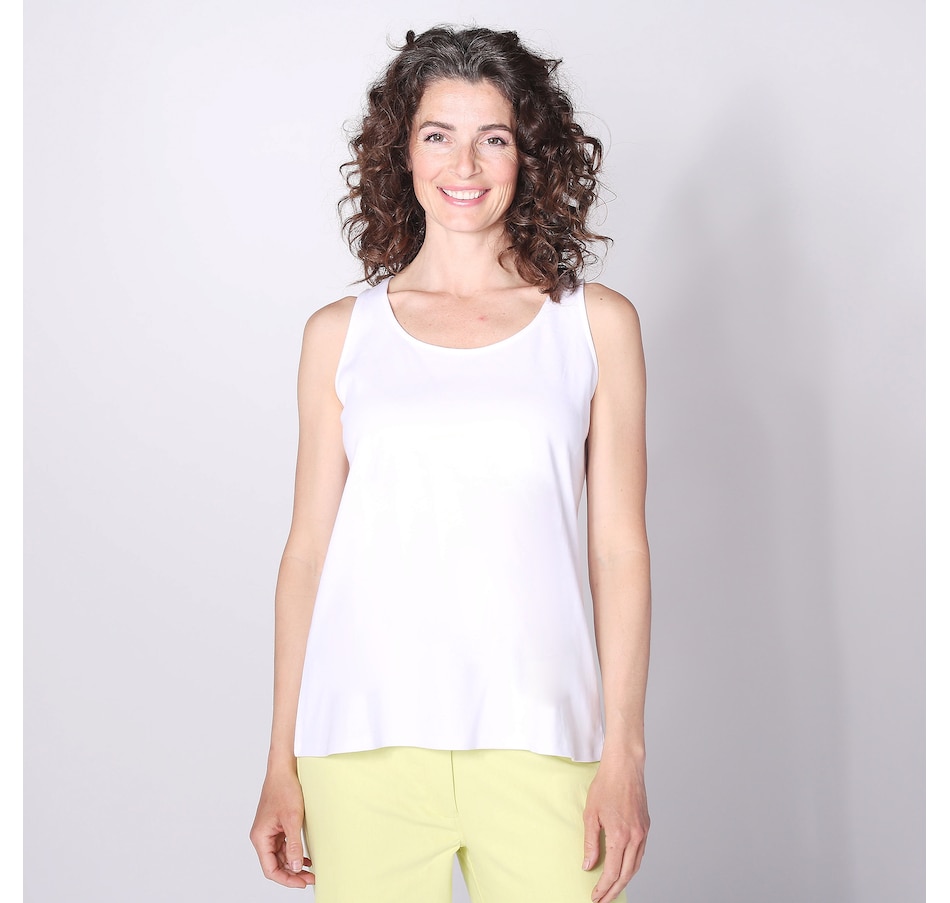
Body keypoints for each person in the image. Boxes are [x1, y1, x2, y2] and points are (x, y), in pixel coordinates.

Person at [249, 24, 651, 903]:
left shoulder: (595, 326)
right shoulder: (340, 336)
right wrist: (281, 758)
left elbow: (619, 549)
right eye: (438, 134)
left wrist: (623, 752)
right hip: (360, 748)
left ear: (529, 154)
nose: (464, 165)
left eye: (493, 138)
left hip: (546, 741)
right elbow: (306, 554)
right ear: (403, 150)